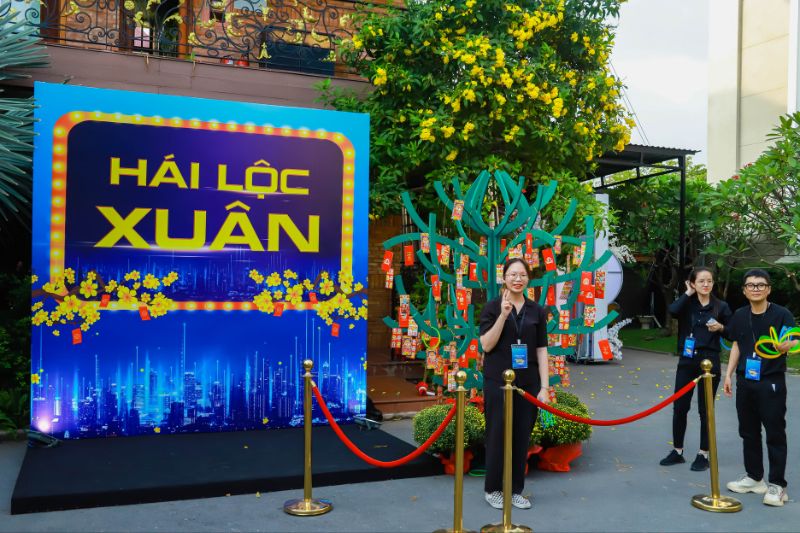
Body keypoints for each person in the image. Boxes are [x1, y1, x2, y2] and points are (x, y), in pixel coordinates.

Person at [479, 258, 550, 510]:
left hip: (528, 383)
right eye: (512, 274)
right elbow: (486, 345)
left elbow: (541, 350)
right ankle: (493, 489)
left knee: (521, 436)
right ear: (504, 277)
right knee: (497, 434)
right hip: (498, 381)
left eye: (522, 275)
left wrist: (544, 387)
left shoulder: (536, 310)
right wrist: (503, 315)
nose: (517, 279)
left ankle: (515, 489)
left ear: (528, 278)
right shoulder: (492, 306)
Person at [723, 269, 797, 507]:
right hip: (745, 381)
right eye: (751, 285)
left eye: (760, 285)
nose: (755, 288)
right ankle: (755, 478)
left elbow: (795, 339)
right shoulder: (739, 315)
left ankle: (777, 485)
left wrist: (787, 345)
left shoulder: (782, 314)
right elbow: (737, 344)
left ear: (768, 289)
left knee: (775, 433)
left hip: (770, 381)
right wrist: (728, 374)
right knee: (748, 432)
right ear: (744, 290)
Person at [659, 267, 732, 471]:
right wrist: (688, 293)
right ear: (693, 283)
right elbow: (672, 311)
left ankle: (703, 453)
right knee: (680, 407)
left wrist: (721, 328)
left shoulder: (721, 306)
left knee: (705, 409)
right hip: (687, 359)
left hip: (709, 360)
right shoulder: (686, 304)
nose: (706, 284)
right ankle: (677, 451)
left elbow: (732, 332)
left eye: (709, 281)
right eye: (701, 281)